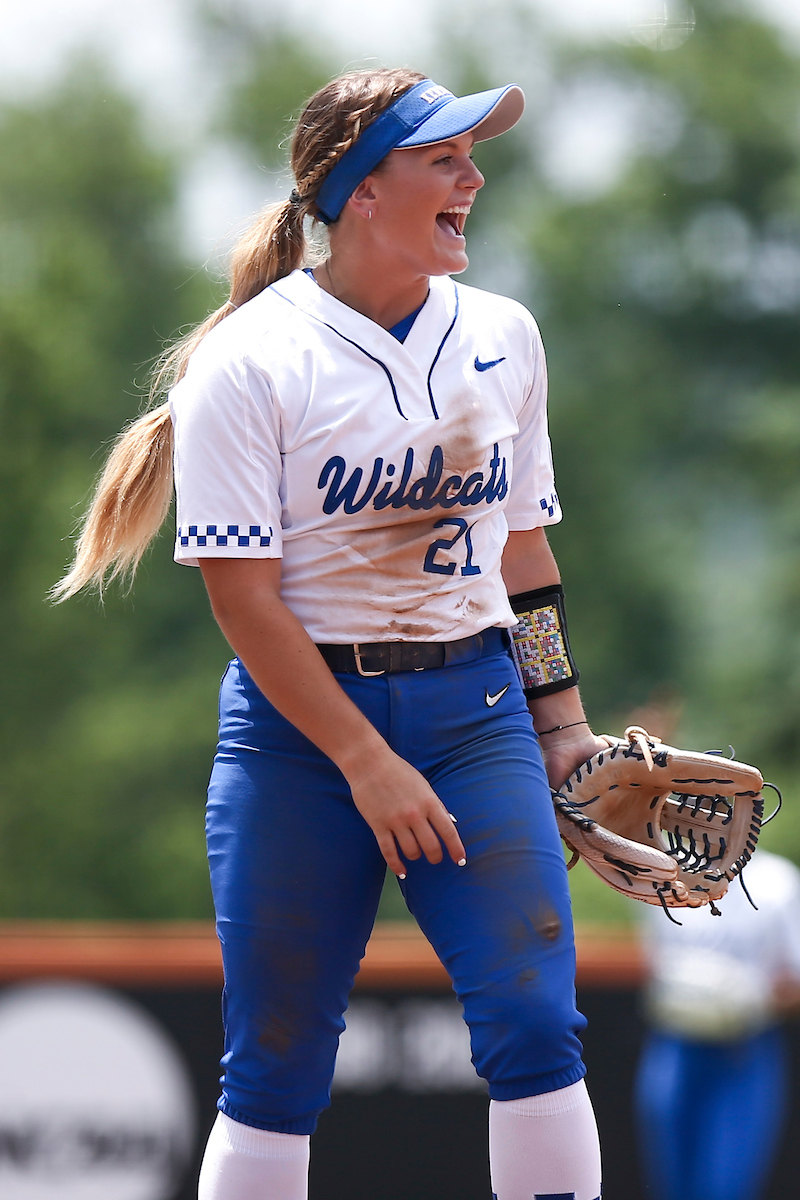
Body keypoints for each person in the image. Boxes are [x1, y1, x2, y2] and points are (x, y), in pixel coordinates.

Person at [54, 68, 604, 1200]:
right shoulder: (252, 358)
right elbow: (243, 599)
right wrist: (365, 760)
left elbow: (525, 561)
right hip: (303, 738)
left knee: (536, 1027)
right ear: (361, 188)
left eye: (469, 154)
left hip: (476, 715)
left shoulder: (502, 333)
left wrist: (564, 725)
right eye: (442, 157)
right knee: (275, 1066)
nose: (473, 175)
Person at [635, 847, 800, 1200]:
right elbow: (654, 963)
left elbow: (793, 979)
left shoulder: (776, 881)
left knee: (722, 1188)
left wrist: (754, 997)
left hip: (743, 1050)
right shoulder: (662, 874)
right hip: (673, 1045)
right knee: (672, 1185)